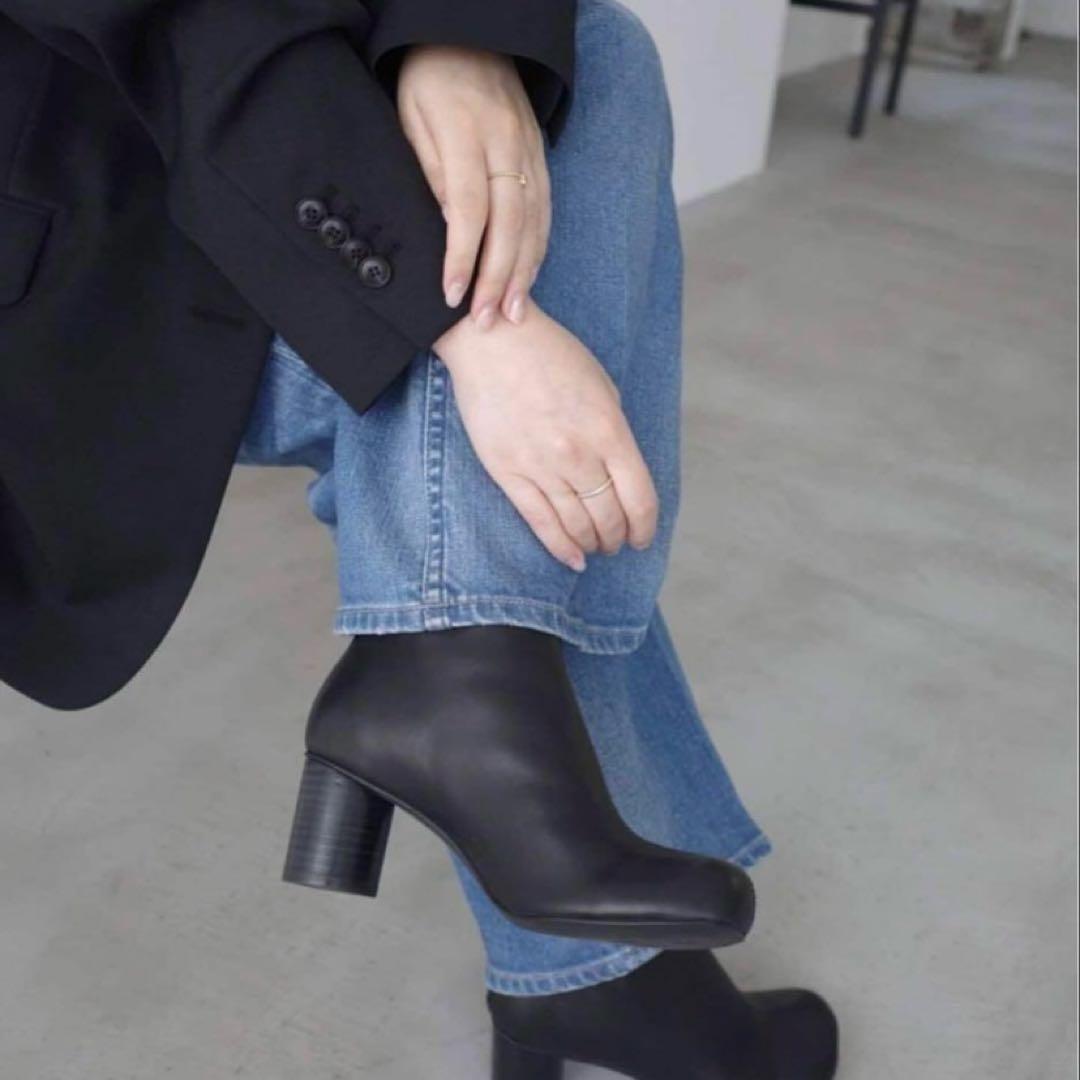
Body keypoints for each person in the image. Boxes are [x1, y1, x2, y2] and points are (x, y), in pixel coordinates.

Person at [1, 0, 837, 1075]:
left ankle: (467, 699)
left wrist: (459, 37)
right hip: (84, 242)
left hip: (229, 155)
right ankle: (579, 944)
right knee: (589, 106)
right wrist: (472, 330)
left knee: (586, 63)